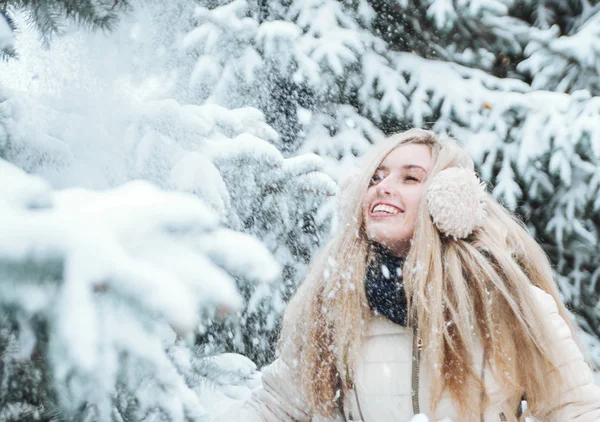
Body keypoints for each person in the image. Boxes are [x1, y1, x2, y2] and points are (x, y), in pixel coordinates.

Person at [219, 129, 600, 421]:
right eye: (376, 178)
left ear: (449, 199)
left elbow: (577, 410)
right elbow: (274, 408)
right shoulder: (337, 300)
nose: (383, 187)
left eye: (410, 178)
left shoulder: (507, 300)